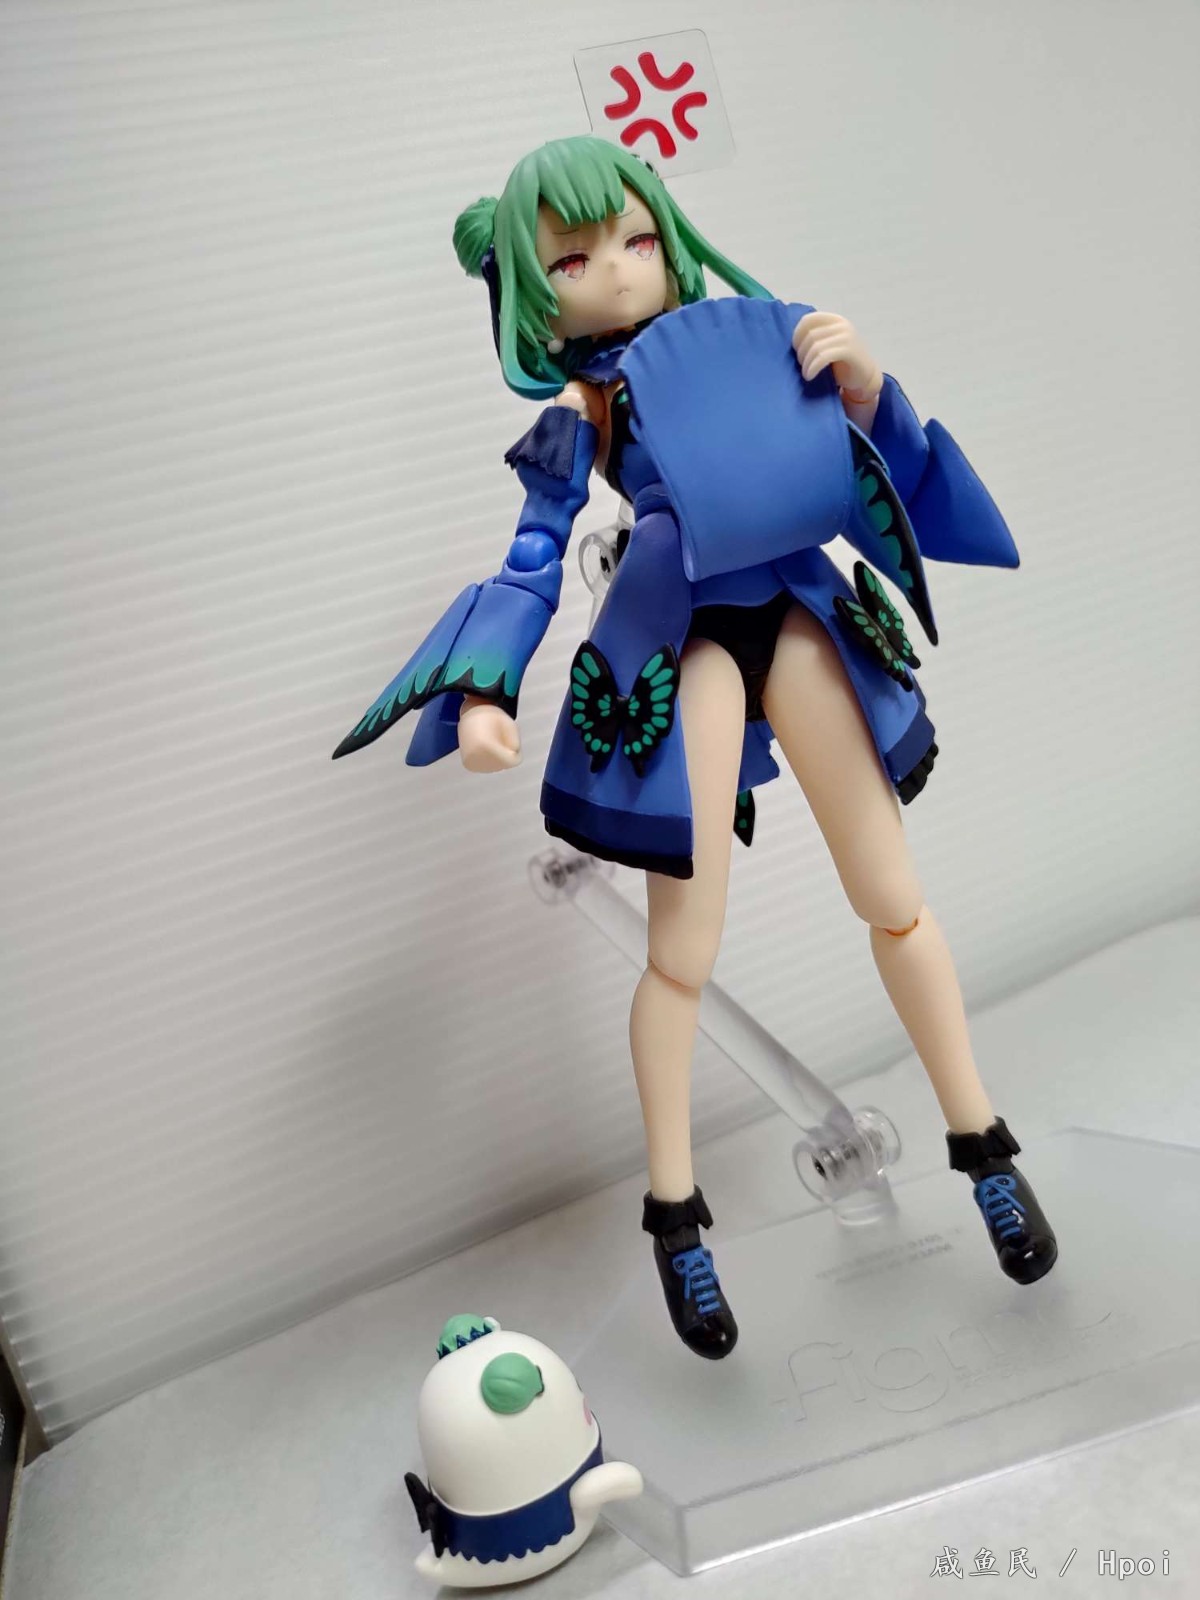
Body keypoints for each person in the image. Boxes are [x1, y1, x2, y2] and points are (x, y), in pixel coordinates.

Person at [334, 136, 1057, 1361]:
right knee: (684, 949)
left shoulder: (758, 339)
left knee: (894, 896)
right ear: (532, 291)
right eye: (574, 259)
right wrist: (486, 691)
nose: (618, 269)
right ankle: (677, 1216)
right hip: (686, 633)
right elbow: (533, 553)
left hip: (797, 607)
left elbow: (859, 472)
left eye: (634, 238)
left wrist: (864, 387)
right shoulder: (590, 407)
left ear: (668, 234)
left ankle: (982, 1143)